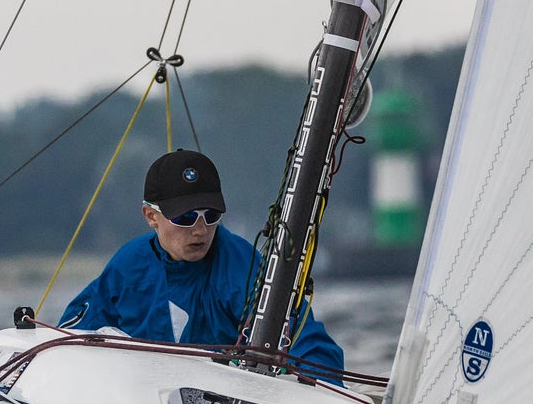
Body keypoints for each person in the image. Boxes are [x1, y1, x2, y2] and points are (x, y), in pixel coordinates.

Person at [61, 149, 343, 376]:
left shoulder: (241, 267)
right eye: (184, 218)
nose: (200, 230)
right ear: (150, 216)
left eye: (210, 215)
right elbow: (69, 337)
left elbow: (314, 348)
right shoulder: (127, 267)